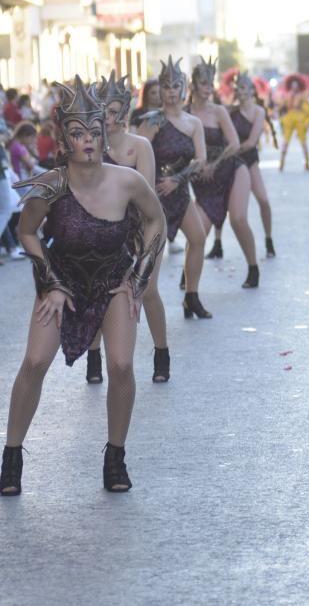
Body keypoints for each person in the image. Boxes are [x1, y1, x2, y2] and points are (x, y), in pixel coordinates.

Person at [1, 76, 166, 496]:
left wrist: (137, 277)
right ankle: (11, 456)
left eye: (94, 132)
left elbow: (155, 221)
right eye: (79, 133)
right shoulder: (50, 186)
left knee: (122, 365)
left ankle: (115, 455)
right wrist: (50, 283)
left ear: (103, 135)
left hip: (113, 277)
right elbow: (27, 233)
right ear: (64, 138)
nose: (88, 141)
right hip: (63, 279)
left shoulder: (126, 181)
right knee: (36, 362)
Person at [86, 71, 171, 384]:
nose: (107, 117)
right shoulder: (91, 145)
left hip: (144, 227)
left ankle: (161, 352)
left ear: (124, 110)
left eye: (113, 110)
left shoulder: (140, 145)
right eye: (102, 110)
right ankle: (93, 357)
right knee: (96, 290)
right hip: (106, 229)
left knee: (147, 289)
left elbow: (146, 194)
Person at [137, 56, 212, 320]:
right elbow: (138, 155)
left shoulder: (194, 123)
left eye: (174, 85)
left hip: (179, 191)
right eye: (165, 86)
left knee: (199, 238)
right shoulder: (153, 120)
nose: (170, 91)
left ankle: (191, 297)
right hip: (154, 194)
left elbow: (201, 160)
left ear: (183, 88)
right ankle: (139, 301)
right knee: (149, 255)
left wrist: (178, 180)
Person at [187, 58, 259, 289]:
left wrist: (214, 163)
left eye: (211, 84)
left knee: (238, 218)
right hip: (204, 182)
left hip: (232, 169)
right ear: (194, 85)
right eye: (204, 83)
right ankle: (189, 283)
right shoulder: (185, 114)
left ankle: (253, 268)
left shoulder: (218, 111)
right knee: (198, 231)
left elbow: (235, 144)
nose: (208, 88)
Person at [226, 71, 276, 258]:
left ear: (252, 90)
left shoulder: (259, 111)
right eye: (238, 88)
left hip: (249, 159)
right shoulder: (230, 112)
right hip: (232, 162)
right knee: (225, 203)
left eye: (245, 88)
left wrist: (229, 150)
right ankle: (216, 241)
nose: (241, 91)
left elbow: (252, 141)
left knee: (263, 199)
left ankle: (269, 238)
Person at [278, 75, 309, 172]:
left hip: (299, 118)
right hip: (290, 118)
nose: (294, 87)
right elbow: (282, 105)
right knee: (286, 141)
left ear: (298, 86)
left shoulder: (302, 95)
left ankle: (307, 162)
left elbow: (307, 107)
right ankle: (281, 163)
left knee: (303, 141)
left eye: (296, 85)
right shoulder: (288, 95)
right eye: (293, 85)